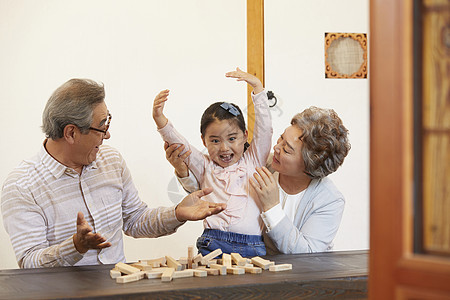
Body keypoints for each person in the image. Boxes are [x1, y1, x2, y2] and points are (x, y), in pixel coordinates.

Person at [1, 78, 226, 268]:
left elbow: (135, 221)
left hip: (118, 288)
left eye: (108, 121)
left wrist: (178, 213)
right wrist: (75, 247)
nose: (107, 135)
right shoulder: (21, 186)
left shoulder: (111, 160)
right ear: (71, 133)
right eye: (102, 126)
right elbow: (29, 262)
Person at [167, 106, 351, 254]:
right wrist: (183, 170)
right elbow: (213, 189)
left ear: (310, 166)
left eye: (287, 150)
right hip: (257, 271)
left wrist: (272, 207)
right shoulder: (265, 164)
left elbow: (308, 254)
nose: (277, 148)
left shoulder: (329, 199)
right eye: (280, 138)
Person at [153, 68, 272, 257]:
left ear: (245, 136)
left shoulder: (254, 160)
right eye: (215, 141)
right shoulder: (205, 165)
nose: (224, 148)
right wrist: (160, 120)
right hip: (213, 242)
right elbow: (180, 144)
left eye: (232, 138)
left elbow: (265, 130)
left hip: (252, 246)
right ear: (203, 141)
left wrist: (258, 88)